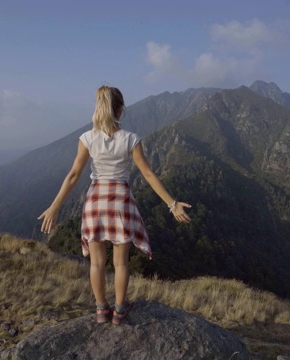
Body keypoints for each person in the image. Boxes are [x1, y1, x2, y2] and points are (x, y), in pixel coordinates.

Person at [38, 85, 191, 325]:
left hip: (95, 201)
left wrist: (55, 206)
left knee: (97, 262)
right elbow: (149, 175)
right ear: (120, 109)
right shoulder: (130, 139)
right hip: (120, 201)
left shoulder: (87, 138)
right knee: (121, 262)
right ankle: (120, 310)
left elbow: (73, 175)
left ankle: (101, 310)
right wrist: (172, 204)